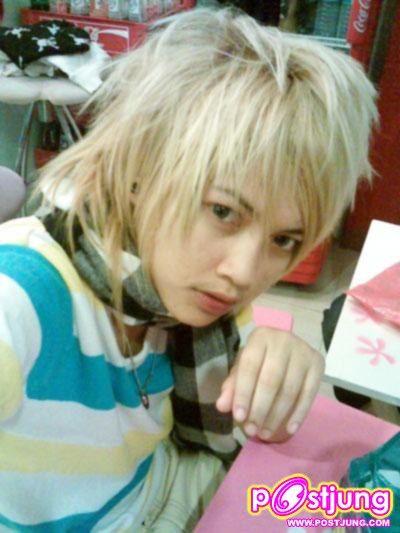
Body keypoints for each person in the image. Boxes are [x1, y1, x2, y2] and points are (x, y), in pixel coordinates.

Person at [0, 7, 377, 532]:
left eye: (283, 239)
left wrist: (277, 364)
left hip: (161, 482)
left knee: (360, 500)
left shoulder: (190, 296)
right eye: (223, 211)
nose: (244, 273)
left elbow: (246, 426)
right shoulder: (25, 290)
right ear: (140, 168)